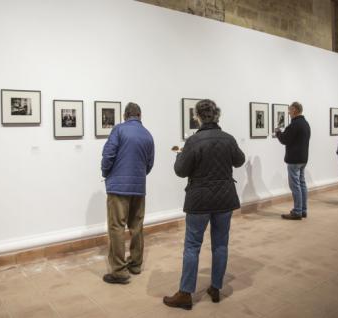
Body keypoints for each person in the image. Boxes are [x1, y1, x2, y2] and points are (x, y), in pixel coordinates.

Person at [163, 99, 245, 310]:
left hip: (199, 200)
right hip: (224, 199)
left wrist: (180, 154)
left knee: (192, 246)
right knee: (220, 244)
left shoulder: (194, 141)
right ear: (217, 116)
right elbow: (239, 160)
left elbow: (180, 171)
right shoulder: (228, 139)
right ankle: (215, 288)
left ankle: (185, 294)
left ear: (197, 117)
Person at [101, 102, 155, 284]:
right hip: (139, 187)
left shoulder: (119, 130)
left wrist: (105, 173)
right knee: (137, 226)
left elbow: (108, 155)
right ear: (140, 115)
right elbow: (149, 164)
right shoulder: (148, 135)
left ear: (125, 115)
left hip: (118, 187)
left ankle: (119, 271)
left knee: (117, 227)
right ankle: (136, 264)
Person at [275, 102, 311, 220]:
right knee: (301, 183)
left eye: (290, 110)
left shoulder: (294, 125)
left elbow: (285, 139)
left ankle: (297, 211)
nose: (288, 112)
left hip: (294, 160)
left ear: (295, 110)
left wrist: (278, 133)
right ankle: (303, 210)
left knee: (295, 185)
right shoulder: (305, 124)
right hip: (303, 159)